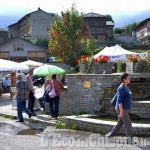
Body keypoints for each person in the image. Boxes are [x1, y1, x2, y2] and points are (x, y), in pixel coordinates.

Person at [106, 73, 135, 144]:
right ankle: (129, 140)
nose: (129, 79)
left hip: (123, 108)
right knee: (128, 124)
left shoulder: (126, 87)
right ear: (124, 80)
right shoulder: (121, 88)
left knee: (120, 124)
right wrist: (121, 111)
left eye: (129, 78)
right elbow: (119, 100)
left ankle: (109, 135)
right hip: (121, 108)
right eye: (128, 78)